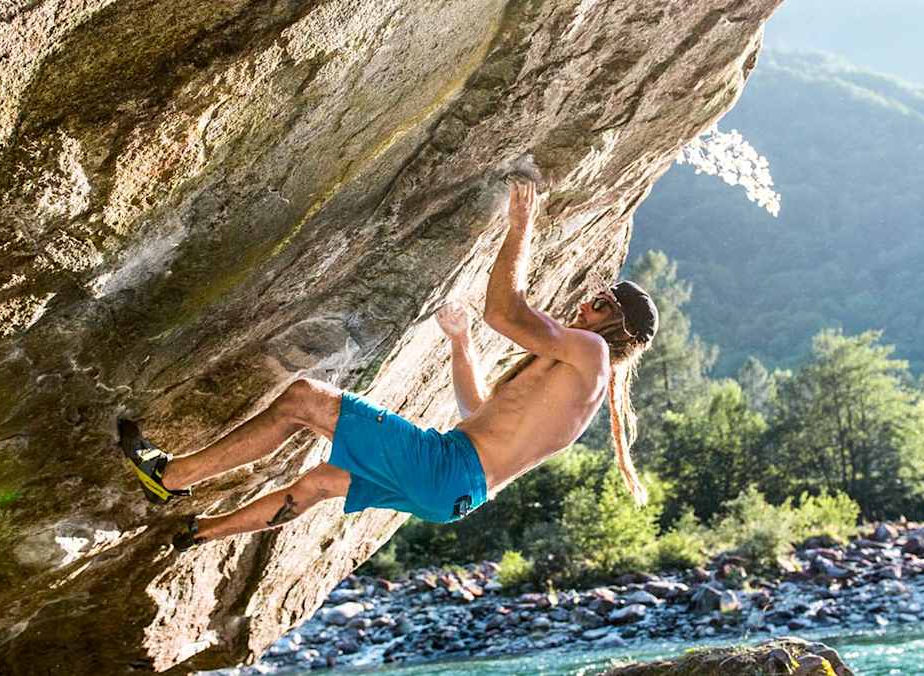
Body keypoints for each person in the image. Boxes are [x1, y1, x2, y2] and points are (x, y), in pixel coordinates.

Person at [119, 174, 659, 550]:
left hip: (446, 467)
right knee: (321, 482)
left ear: (622, 331)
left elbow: (505, 311)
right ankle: (202, 533)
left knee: (305, 400)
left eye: (601, 304)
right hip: (455, 496)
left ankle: (172, 475)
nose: (586, 306)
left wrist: (520, 227)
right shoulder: (579, 385)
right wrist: (460, 343)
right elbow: (479, 414)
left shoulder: (591, 351)